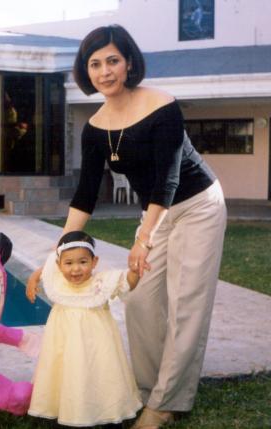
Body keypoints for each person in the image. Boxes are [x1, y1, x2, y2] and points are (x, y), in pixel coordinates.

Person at [60, 25, 227, 429]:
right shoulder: (96, 126)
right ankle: (149, 386)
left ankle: (166, 403)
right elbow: (85, 194)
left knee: (185, 302)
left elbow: (167, 180)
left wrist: (143, 240)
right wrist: (62, 245)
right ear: (87, 71)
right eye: (95, 64)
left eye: (112, 60)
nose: (105, 71)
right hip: (157, 214)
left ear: (129, 62)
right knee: (139, 299)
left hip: (197, 206)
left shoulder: (163, 105)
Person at [26, 231, 142, 427]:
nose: (76, 269)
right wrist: (33, 279)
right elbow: (45, 268)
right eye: (68, 263)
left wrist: (135, 271)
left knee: (100, 372)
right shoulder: (57, 280)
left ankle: (107, 410)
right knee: (67, 372)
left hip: (96, 342)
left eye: (83, 262)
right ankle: (66, 409)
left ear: (94, 261)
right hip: (64, 341)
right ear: (59, 265)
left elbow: (126, 282)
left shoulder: (101, 282)